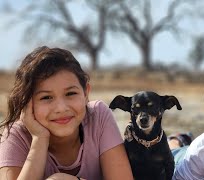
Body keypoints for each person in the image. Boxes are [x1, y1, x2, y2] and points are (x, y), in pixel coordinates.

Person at [0, 46, 134, 180]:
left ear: (86, 92)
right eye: (46, 97)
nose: (61, 108)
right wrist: (39, 139)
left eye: (70, 93)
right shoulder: (16, 135)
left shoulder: (98, 116)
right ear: (27, 102)